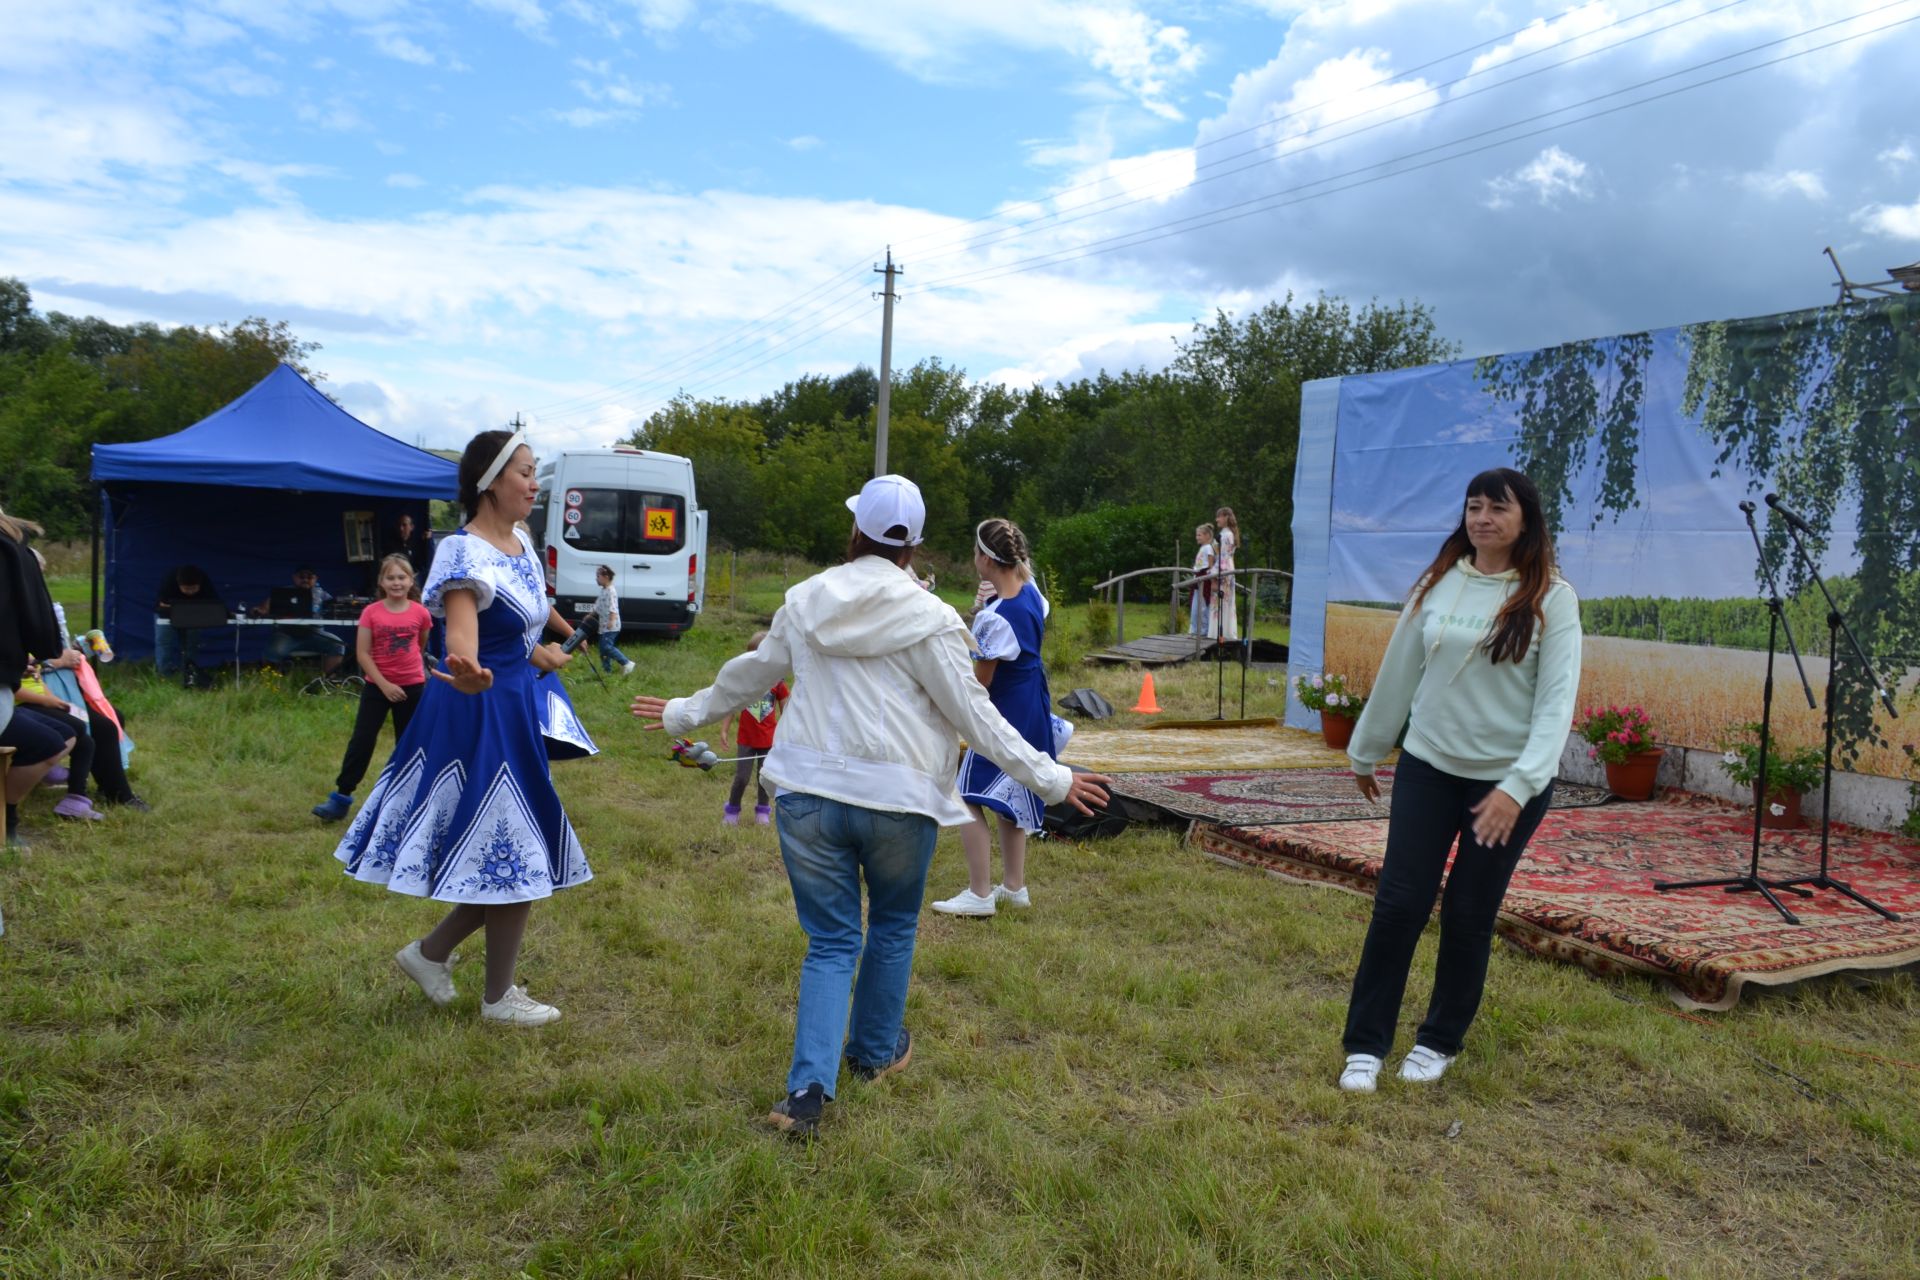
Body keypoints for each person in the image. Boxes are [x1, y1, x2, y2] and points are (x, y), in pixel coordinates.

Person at [632, 475, 1112, 1140]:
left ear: (854, 531)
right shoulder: (934, 619)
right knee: (889, 926)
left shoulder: (804, 601)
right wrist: (1053, 780)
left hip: (806, 798)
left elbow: (750, 676)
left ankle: (806, 1092)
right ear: (912, 547)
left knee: (831, 941)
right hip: (900, 802)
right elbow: (977, 717)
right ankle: (874, 1053)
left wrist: (685, 711)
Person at [333, 426, 590, 1028]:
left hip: (513, 704)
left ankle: (432, 955)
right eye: (524, 471)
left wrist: (542, 650)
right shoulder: (462, 551)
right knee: (517, 851)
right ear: (489, 481)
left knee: (510, 852)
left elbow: (518, 627)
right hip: (477, 713)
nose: (534, 482)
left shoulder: (520, 541)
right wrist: (470, 671)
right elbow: (464, 640)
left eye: (534, 470)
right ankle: (493, 995)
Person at [1337, 468, 1581, 1094]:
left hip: (1504, 787)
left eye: (1498, 508)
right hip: (1428, 767)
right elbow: (1398, 671)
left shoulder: (1551, 597)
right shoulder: (1439, 583)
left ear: (1525, 519)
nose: (1483, 518)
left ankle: (1438, 1040)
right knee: (1399, 904)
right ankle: (1365, 1045)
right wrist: (1366, 749)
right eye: (1474, 507)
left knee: (1470, 913)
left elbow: (1556, 707)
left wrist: (1516, 787)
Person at [932, 518, 1056, 918]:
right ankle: (1014, 886)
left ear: (985, 560)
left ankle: (980, 892)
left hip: (1005, 713)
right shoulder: (1034, 596)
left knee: (965, 795)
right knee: (1010, 795)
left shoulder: (994, 618)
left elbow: (980, 682)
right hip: (1033, 706)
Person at [312, 554, 433, 822]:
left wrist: (408, 677)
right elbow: (363, 654)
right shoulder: (371, 612)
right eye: (390, 577)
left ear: (411, 580)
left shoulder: (421, 613)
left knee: (410, 745)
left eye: (402, 577)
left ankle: (408, 801)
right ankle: (341, 798)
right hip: (377, 688)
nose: (397, 582)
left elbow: (420, 645)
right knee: (362, 741)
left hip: (412, 687)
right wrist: (385, 684)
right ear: (381, 582)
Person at [1, 505, 64, 850]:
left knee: (63, 736)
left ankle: (7, 821)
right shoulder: (12, 550)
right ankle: (6, 822)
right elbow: (43, 638)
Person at [718, 630, 787, 826]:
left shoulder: (778, 682)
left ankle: (763, 811)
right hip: (746, 739)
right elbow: (732, 705)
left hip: (768, 740)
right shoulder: (743, 682)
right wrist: (724, 730)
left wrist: (786, 734)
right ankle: (732, 809)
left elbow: (786, 710)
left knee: (763, 778)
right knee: (741, 778)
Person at [253, 566, 347, 679]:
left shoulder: (322, 594)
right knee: (274, 651)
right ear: (294, 578)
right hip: (286, 634)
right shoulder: (283, 593)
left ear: (316, 578)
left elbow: (335, 608)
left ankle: (328, 681)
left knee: (337, 645)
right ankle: (271, 681)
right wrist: (258, 611)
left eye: (309, 577)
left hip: (315, 634)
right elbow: (264, 609)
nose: (305, 579)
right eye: (301, 576)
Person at [154, 564, 220, 678]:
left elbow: (214, 602)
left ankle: (189, 672)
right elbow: (162, 603)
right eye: (186, 589)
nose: (190, 592)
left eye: (193, 588)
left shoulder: (204, 580)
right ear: (179, 584)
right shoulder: (169, 579)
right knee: (165, 642)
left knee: (191, 644)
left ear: (199, 584)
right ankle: (164, 674)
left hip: (192, 615)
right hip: (167, 615)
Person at [590, 565, 635, 675]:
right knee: (602, 650)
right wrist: (590, 615)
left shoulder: (611, 591)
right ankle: (607, 671)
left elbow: (613, 607)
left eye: (598, 576)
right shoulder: (603, 590)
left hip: (611, 626)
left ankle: (627, 663)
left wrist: (611, 620)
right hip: (603, 626)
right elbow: (598, 605)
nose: (596, 578)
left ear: (606, 577)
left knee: (607, 647)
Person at [1213, 506, 1241, 642]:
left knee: (1221, 599)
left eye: (1219, 516)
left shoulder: (1225, 535)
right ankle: (1227, 631)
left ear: (1226, 518)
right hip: (1229, 566)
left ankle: (1219, 632)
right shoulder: (1230, 533)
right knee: (1226, 600)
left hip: (1223, 567)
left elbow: (1222, 556)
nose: (1216, 519)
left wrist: (1214, 573)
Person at [383, 511, 433, 579]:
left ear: (411, 527)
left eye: (404, 525)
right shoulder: (390, 545)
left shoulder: (418, 544)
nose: (401, 528)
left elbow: (424, 564)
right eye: (399, 525)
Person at [1189, 522, 1217, 638]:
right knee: (1195, 605)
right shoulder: (1202, 548)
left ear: (1207, 536)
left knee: (1203, 605)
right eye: (1197, 535)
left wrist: (1212, 579)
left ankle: (1204, 630)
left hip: (1204, 577)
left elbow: (1211, 564)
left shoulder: (1208, 548)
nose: (1197, 537)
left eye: (1199, 535)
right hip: (1198, 576)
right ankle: (1194, 629)